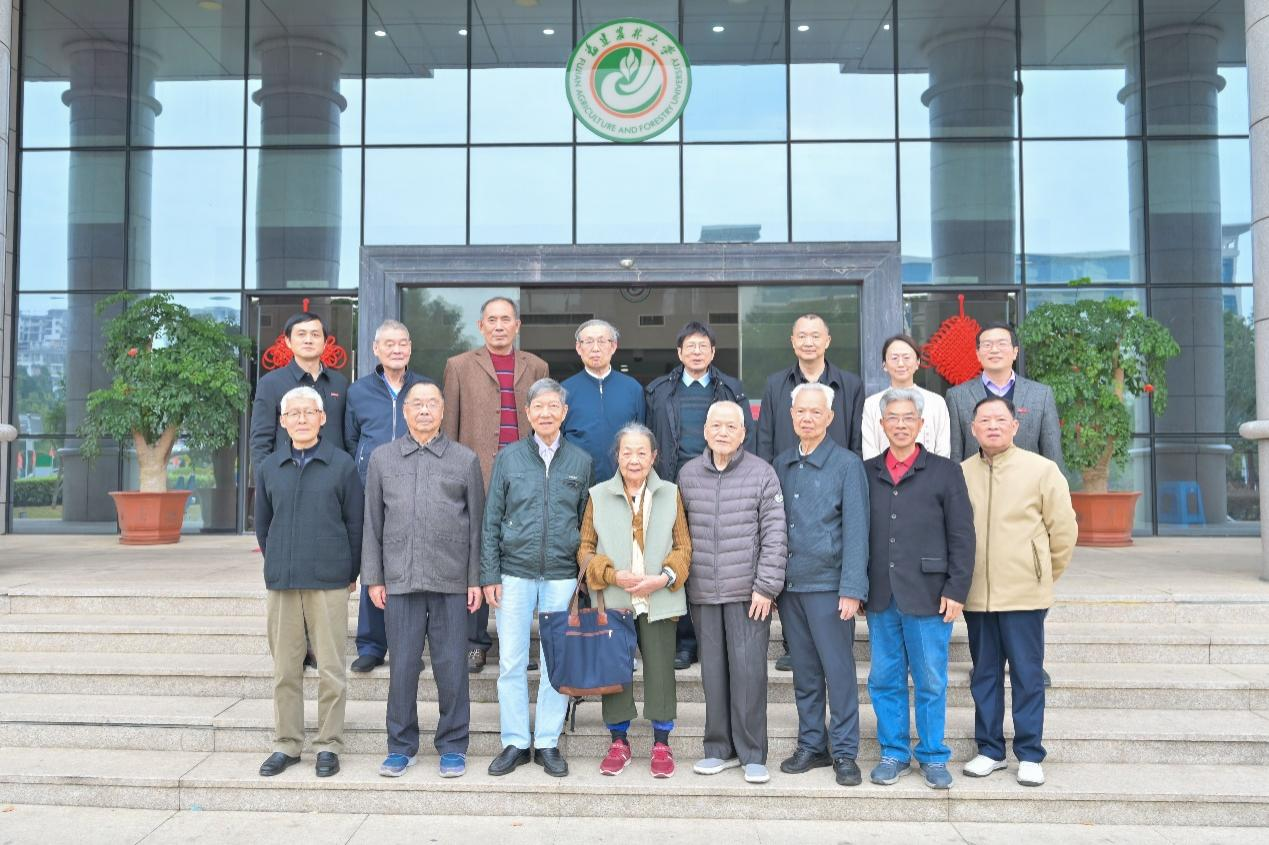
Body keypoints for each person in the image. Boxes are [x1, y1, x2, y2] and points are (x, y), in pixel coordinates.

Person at [361, 381, 485, 780]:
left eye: (432, 403)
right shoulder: (383, 459)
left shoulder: (464, 459)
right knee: (402, 667)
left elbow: (477, 527)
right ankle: (400, 746)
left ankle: (453, 745)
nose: (425, 410)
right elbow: (372, 523)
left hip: (451, 580)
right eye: (417, 404)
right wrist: (374, 578)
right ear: (405, 410)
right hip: (400, 578)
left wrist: (475, 580)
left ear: (443, 410)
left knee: (452, 668)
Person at [960, 396, 1077, 788]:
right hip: (977, 595)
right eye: (984, 420)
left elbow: (1064, 530)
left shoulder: (1041, 470)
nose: (992, 426)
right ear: (973, 428)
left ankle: (1029, 753)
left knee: (1027, 675)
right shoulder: (961, 473)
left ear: (1015, 426)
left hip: (1025, 595)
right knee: (984, 676)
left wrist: (1041, 574)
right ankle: (990, 750)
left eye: (1000, 419)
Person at [480, 378, 593, 779]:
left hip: (561, 575)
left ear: (564, 412)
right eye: (538, 407)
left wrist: (583, 576)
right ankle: (515, 741)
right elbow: (491, 519)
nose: (546, 413)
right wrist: (489, 573)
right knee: (511, 661)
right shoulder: (509, 458)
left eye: (553, 407)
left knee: (554, 662)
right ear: (527, 413)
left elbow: (586, 522)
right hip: (514, 573)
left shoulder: (580, 461)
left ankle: (546, 741)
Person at [863, 387, 975, 790]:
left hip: (930, 594)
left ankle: (932, 755)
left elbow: (962, 534)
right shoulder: (867, 471)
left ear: (921, 424)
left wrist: (957, 589)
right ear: (882, 424)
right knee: (885, 678)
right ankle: (893, 752)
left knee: (930, 679)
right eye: (893, 418)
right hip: (881, 594)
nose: (900, 424)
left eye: (908, 417)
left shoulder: (945, 471)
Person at [253, 386, 361, 780]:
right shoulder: (270, 467)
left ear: (322, 418)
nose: (302, 418)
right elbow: (263, 527)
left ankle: (329, 744)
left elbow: (355, 524)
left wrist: (349, 573)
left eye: (309, 411)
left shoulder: (342, 465)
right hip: (283, 581)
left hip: (328, 581)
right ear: (282, 421)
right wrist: (280, 561)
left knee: (331, 668)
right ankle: (287, 743)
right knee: (285, 669)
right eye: (293, 413)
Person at [677, 401, 787, 785]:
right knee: (713, 675)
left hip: (748, 594)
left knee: (749, 673)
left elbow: (775, 534)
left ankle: (753, 753)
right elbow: (679, 535)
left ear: (743, 433)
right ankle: (717, 749)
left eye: (731, 427)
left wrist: (766, 586)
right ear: (705, 431)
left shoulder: (762, 473)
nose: (722, 432)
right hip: (704, 591)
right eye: (716, 426)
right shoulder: (688, 474)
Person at [442, 296, 549, 674]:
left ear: (517, 326)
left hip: (525, 478)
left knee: (521, 558)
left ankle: (518, 644)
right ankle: (475, 643)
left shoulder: (536, 366)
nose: (499, 326)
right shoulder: (458, 366)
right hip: (476, 475)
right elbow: (449, 428)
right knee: (476, 555)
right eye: (492, 320)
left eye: (506, 319)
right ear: (481, 325)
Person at [579, 423, 691, 778]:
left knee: (661, 670)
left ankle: (662, 743)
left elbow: (683, 547)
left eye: (642, 452)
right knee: (614, 670)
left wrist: (664, 577)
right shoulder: (598, 495)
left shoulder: (670, 493)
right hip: (615, 598)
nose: (634, 459)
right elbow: (585, 549)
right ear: (617, 456)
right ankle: (618, 742)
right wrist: (612, 575)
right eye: (627, 452)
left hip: (658, 596)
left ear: (654, 456)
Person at [755, 313, 865, 673]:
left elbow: (855, 439)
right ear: (792, 341)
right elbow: (765, 437)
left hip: (832, 483)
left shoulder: (850, 384)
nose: (808, 342)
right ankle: (793, 643)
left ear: (827, 341)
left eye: (815, 335)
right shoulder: (776, 384)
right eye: (801, 335)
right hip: (786, 482)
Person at [773, 383, 869, 788]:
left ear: (830, 417)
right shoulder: (781, 463)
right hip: (791, 586)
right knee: (805, 673)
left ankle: (844, 751)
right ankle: (812, 744)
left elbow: (857, 530)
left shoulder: (847, 465)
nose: (807, 418)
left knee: (838, 672)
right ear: (791, 415)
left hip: (830, 587)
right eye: (801, 411)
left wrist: (852, 589)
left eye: (816, 412)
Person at [645, 321, 753, 670]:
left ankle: (715, 641)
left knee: (711, 560)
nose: (696, 352)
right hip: (672, 488)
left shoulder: (731, 389)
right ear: (679, 353)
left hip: (718, 485)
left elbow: (746, 437)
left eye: (702, 346)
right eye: (689, 346)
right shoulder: (659, 391)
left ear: (713, 352)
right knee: (677, 560)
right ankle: (685, 642)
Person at [344, 319, 430, 673]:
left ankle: (407, 647)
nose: (397, 349)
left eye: (403, 343)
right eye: (389, 344)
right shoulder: (358, 391)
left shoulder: (423, 387)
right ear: (376, 349)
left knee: (412, 567)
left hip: (417, 487)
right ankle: (371, 644)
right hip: (372, 487)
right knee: (373, 562)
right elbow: (350, 439)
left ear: (410, 347)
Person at [947, 322, 1062, 466]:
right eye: (987, 345)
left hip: (1027, 479)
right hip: (977, 479)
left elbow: (1053, 455)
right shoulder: (957, 397)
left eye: (1002, 344)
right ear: (978, 354)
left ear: (1015, 352)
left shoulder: (1041, 395)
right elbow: (955, 456)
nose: (994, 350)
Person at [249, 311, 348, 473]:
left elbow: (348, 436)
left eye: (315, 334)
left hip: (334, 476)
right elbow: (260, 441)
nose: (308, 340)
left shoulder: (340, 383)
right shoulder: (270, 383)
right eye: (301, 334)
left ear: (325, 343)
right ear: (288, 341)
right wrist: (266, 480)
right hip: (287, 476)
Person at [561, 319, 646, 482]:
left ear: (613, 346)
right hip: (576, 482)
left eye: (601, 341)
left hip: (623, 482)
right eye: (588, 342)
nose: (595, 348)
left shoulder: (633, 389)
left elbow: (643, 437)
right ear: (578, 347)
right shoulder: (564, 391)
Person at [861, 334, 951, 459]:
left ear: (918, 362)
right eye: (894, 358)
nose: (901, 364)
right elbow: (870, 452)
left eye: (906, 357)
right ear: (884, 365)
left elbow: (943, 450)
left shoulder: (936, 402)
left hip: (931, 471)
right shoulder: (872, 404)